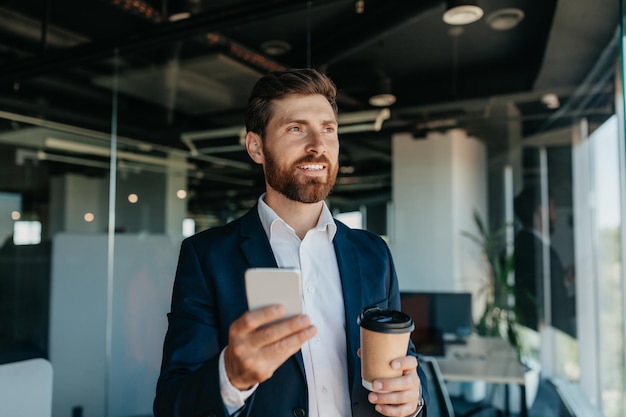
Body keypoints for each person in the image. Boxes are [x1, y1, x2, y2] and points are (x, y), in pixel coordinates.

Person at [153, 68, 428, 417]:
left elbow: (407, 360)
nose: (318, 145)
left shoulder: (374, 253)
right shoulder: (207, 256)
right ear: (256, 147)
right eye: (296, 128)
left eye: (328, 129)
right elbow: (172, 403)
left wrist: (414, 399)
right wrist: (231, 376)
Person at [513, 185, 576, 338]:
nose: (556, 216)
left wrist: (564, 281)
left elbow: (539, 293)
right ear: (540, 210)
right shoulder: (543, 254)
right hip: (549, 342)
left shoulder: (521, 245)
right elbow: (557, 311)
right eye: (553, 208)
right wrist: (586, 296)